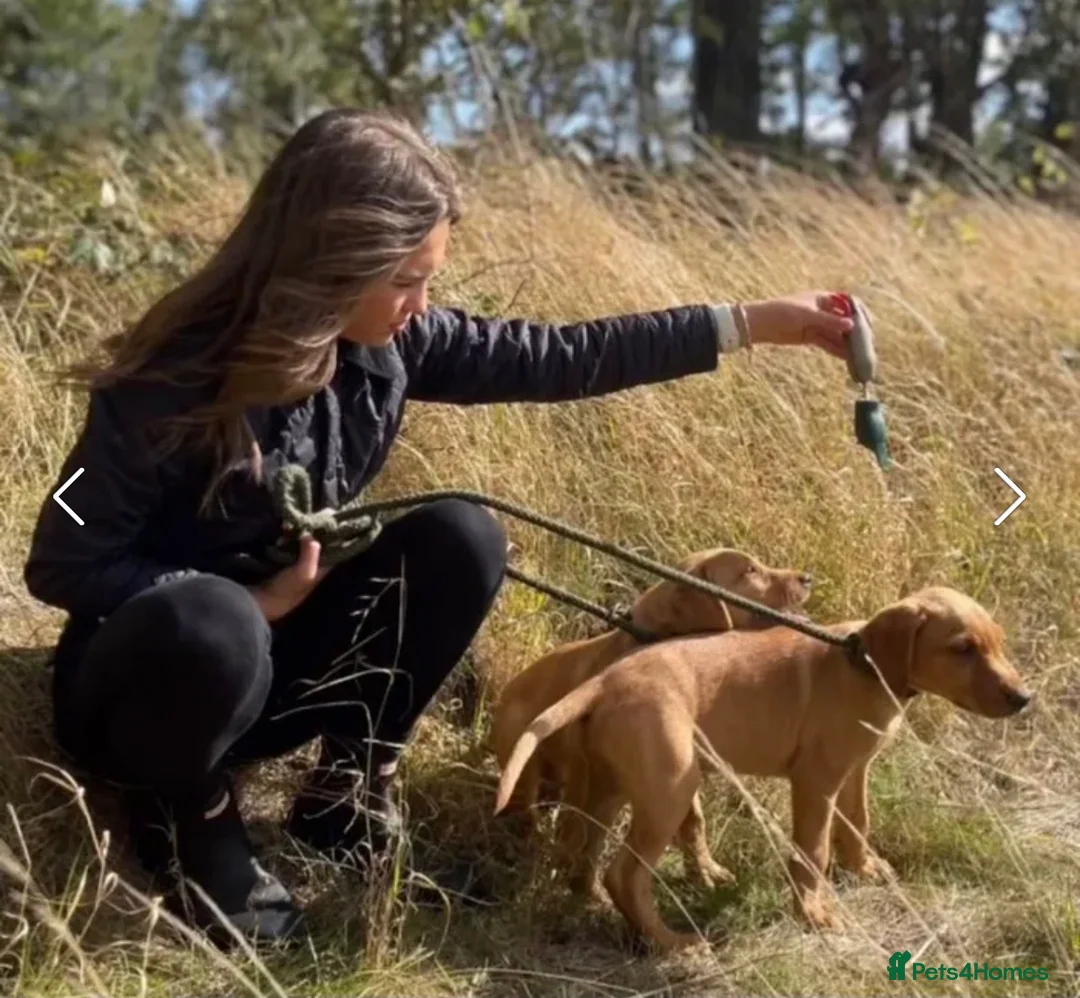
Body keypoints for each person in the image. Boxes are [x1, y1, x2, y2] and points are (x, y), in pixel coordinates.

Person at [23, 108, 854, 945]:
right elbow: (60, 558)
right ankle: (191, 823)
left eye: (430, 281)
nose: (421, 306)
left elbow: (561, 357)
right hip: (146, 696)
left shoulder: (387, 344)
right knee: (214, 617)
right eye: (405, 280)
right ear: (329, 262)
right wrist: (257, 599)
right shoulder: (166, 379)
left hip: (268, 673)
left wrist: (753, 322)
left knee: (463, 537)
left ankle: (345, 791)